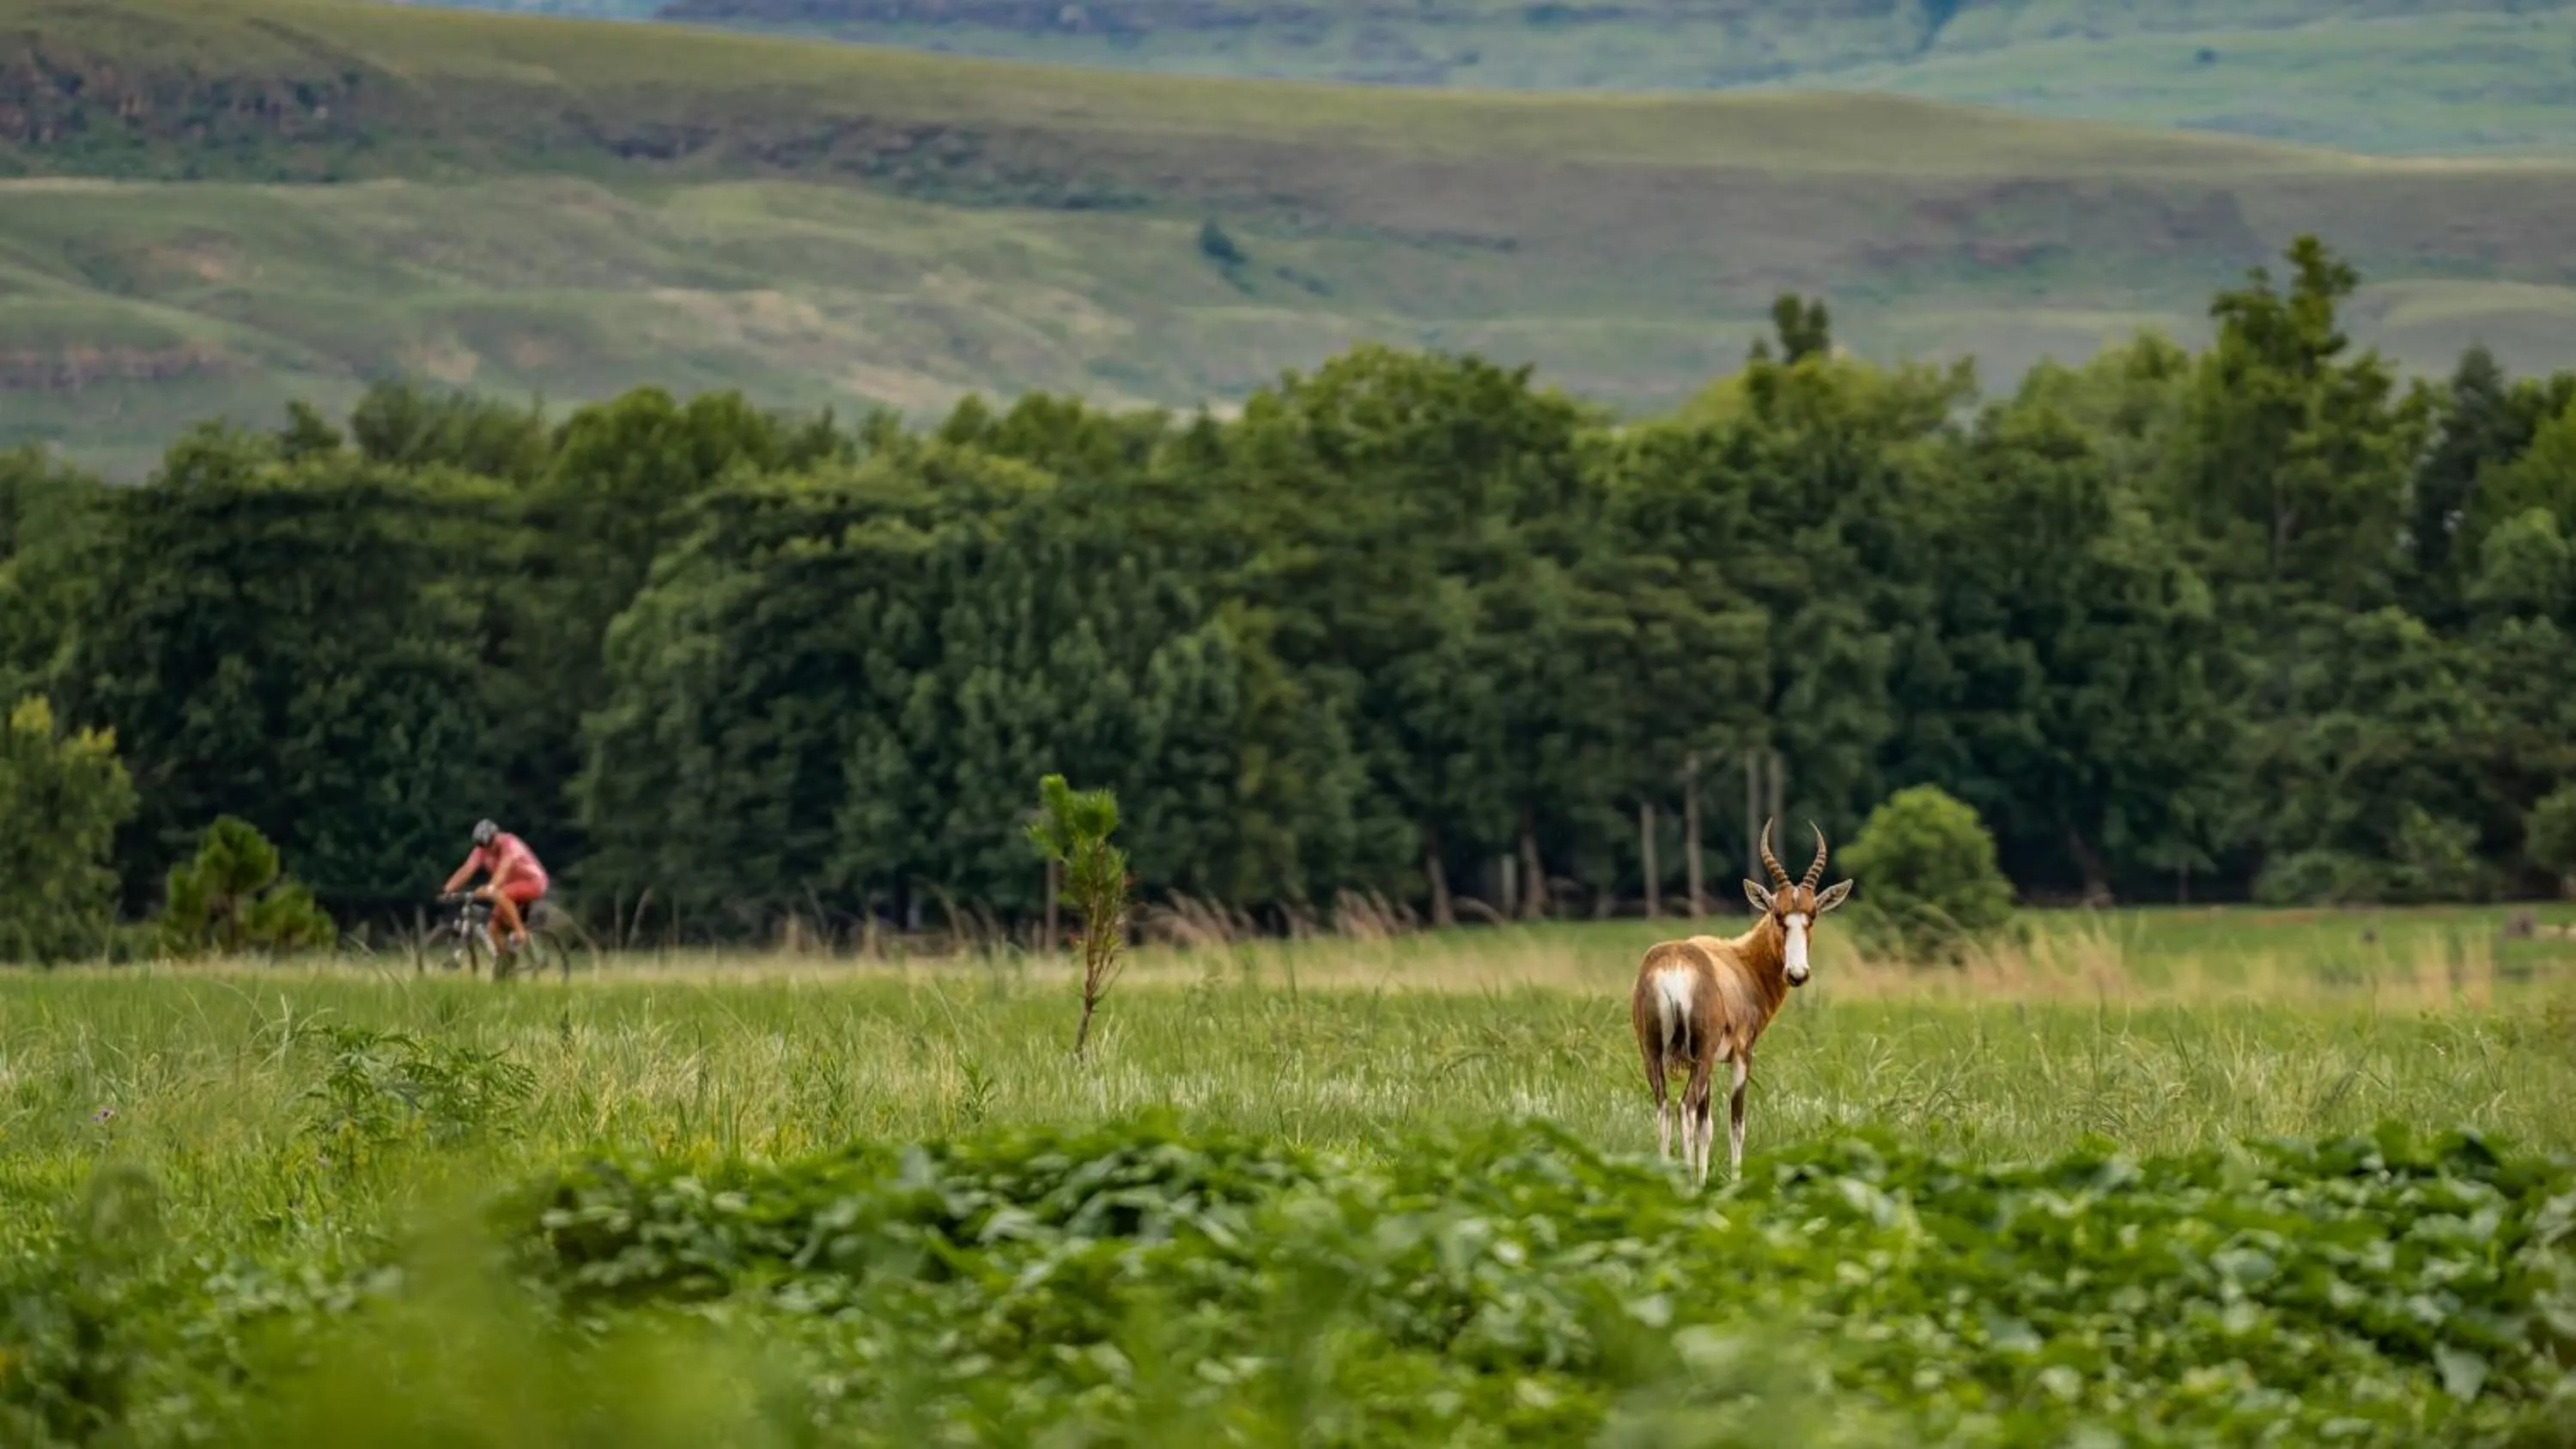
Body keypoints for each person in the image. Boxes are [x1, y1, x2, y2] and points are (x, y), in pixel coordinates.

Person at [444, 818, 549, 952]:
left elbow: (504, 868)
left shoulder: (510, 843)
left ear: (496, 835)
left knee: (500, 893)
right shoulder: (482, 850)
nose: (488, 848)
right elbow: (467, 869)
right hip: (510, 889)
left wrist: (491, 887)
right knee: (493, 927)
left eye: (490, 843)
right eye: (483, 845)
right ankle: (505, 964)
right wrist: (448, 889)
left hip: (533, 882)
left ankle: (520, 932)